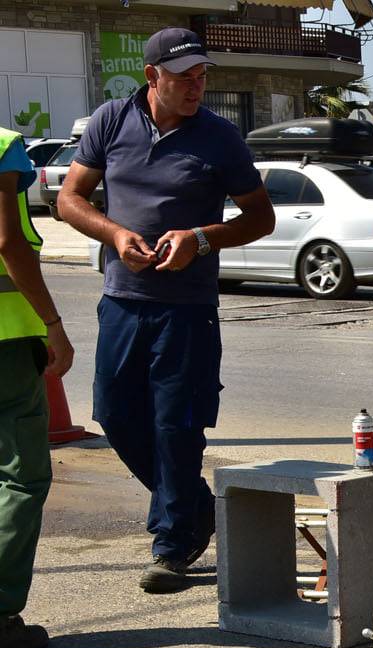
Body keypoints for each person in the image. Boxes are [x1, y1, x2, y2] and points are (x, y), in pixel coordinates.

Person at [57, 28, 274, 594]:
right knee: (115, 415)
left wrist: (201, 239)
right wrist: (114, 233)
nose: (196, 86)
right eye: (184, 77)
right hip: (122, 302)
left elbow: (260, 218)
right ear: (153, 77)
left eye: (202, 76)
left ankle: (172, 544)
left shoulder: (220, 138)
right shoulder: (111, 120)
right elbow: (69, 199)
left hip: (188, 310)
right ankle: (196, 507)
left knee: (176, 428)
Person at [0, 126, 73, 648]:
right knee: (21, 477)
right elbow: (8, 242)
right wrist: (52, 322)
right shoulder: (2, 145)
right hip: (4, 343)